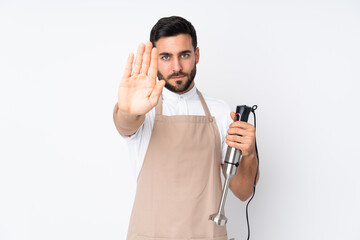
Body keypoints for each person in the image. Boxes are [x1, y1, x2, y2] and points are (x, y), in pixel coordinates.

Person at [113, 16, 259, 240]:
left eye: (184, 55)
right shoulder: (143, 109)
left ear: (196, 55)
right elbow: (125, 123)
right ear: (155, 59)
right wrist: (128, 111)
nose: (177, 67)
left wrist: (248, 154)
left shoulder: (220, 112)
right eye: (166, 57)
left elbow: (243, 191)